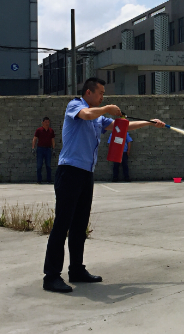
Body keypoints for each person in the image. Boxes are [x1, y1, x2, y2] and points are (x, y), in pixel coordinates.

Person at [43, 77, 165, 293]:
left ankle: (76, 269)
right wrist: (107, 108)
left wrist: (149, 122)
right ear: (88, 92)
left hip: (86, 174)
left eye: (103, 95)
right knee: (62, 225)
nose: (102, 97)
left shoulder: (98, 119)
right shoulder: (75, 105)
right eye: (100, 93)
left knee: (79, 225)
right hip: (69, 172)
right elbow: (87, 114)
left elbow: (122, 126)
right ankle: (51, 276)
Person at [32, 117, 55, 184]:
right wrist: (33, 148)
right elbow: (35, 139)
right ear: (42, 123)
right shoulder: (39, 130)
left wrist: (53, 148)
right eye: (45, 122)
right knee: (39, 165)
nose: (47, 123)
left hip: (48, 149)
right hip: (40, 149)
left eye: (48, 122)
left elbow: (53, 140)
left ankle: (49, 180)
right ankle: (39, 180)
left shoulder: (51, 131)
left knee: (48, 165)